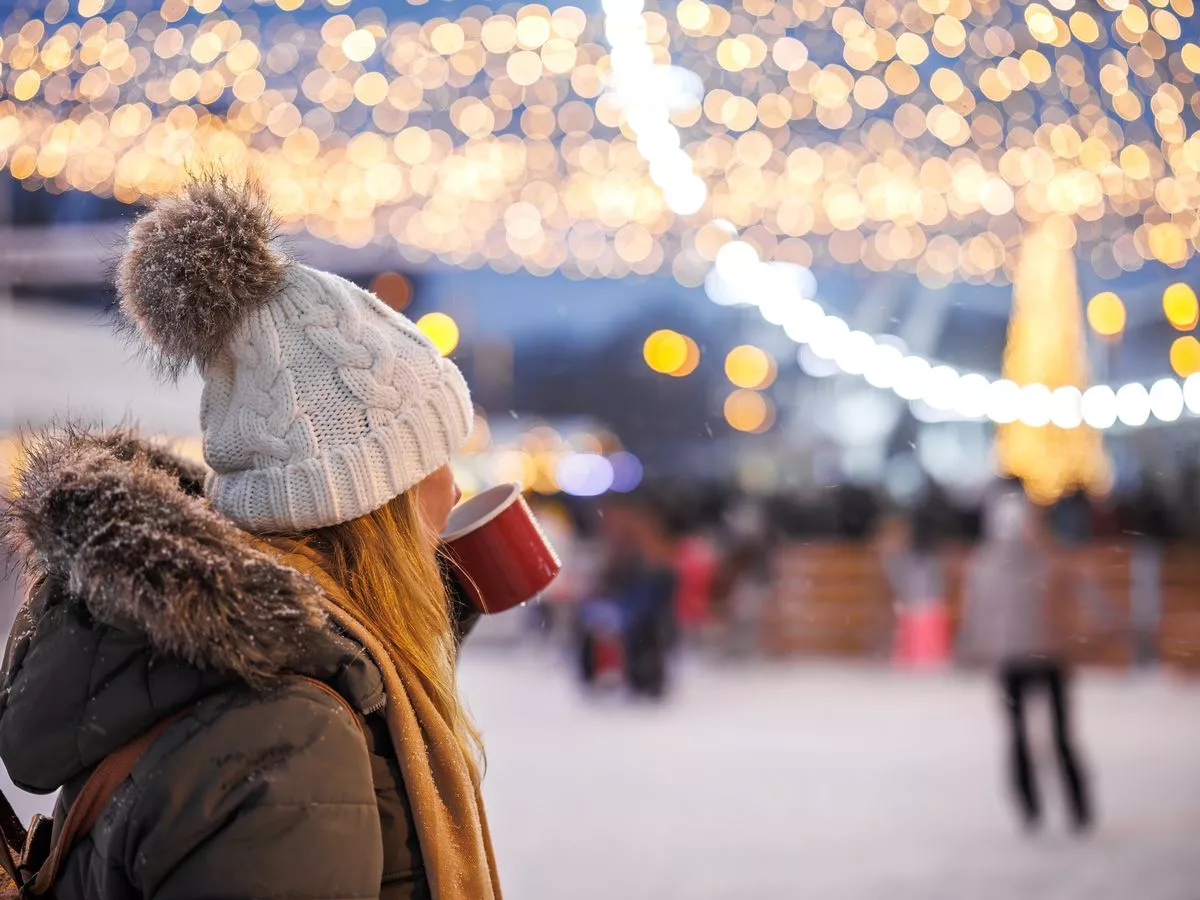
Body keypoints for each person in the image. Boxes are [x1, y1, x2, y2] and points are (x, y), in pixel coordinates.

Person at [0, 175, 502, 899]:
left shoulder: (216, 676)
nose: (455, 489)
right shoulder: (291, 738)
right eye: (434, 458)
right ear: (371, 503)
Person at [958, 489, 1093, 833]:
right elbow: (977, 612)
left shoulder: (1023, 561)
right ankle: (1057, 809)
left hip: (1037, 656)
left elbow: (976, 613)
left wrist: (972, 646)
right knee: (1039, 736)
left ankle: (1051, 809)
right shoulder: (1031, 560)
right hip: (1032, 657)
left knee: (1038, 735)